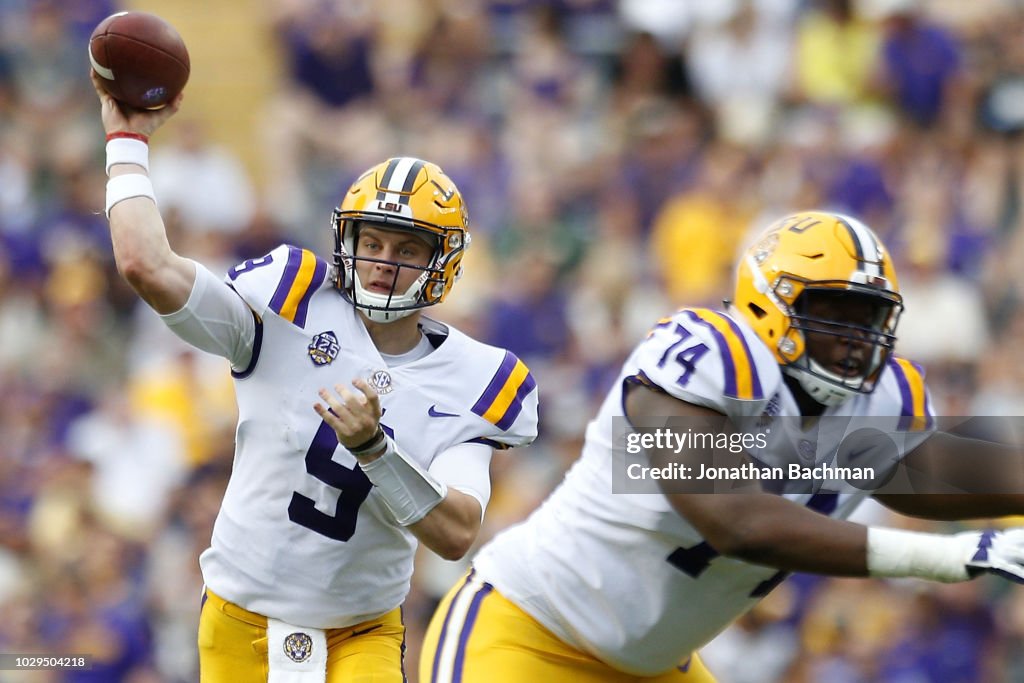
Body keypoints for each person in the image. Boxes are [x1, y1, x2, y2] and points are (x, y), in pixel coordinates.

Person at [420, 211, 1024, 683]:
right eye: (831, 311)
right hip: (526, 632)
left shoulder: (875, 406)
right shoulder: (708, 358)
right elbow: (736, 518)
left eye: (867, 316)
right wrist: (954, 557)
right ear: (768, 303)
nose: (854, 338)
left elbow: (951, 471)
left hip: (654, 666)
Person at [90, 74, 539, 682]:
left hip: (361, 630)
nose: (382, 263)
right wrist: (126, 142)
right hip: (239, 616)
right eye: (371, 241)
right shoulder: (290, 301)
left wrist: (375, 451)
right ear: (345, 238)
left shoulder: (478, 377)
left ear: (442, 263)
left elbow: (458, 531)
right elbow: (147, 265)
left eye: (406, 249)